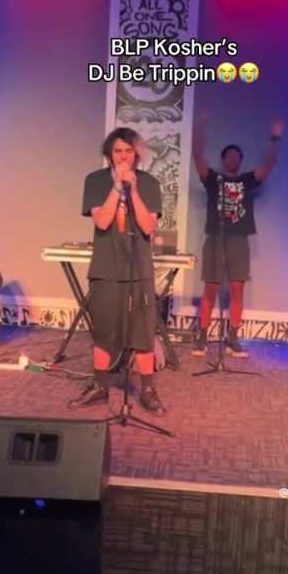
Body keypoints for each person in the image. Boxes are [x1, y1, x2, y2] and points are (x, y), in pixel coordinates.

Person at [70, 127, 165, 415]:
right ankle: (100, 386)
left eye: (128, 151)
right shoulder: (96, 180)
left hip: (138, 268)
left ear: (136, 154)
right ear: (109, 154)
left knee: (143, 331)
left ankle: (147, 389)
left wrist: (132, 190)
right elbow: (102, 221)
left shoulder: (149, 183)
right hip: (106, 267)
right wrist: (116, 187)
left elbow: (148, 227)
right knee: (104, 331)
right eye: (117, 151)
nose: (123, 157)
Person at [192, 113, 284, 357]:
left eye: (236, 156)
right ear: (223, 160)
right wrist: (199, 126)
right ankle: (202, 338)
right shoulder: (213, 179)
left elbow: (270, 164)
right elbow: (197, 156)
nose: (232, 159)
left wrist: (275, 138)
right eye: (229, 156)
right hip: (215, 238)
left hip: (239, 240)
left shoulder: (246, 180)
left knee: (236, 290)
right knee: (210, 289)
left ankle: (233, 339)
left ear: (240, 161)